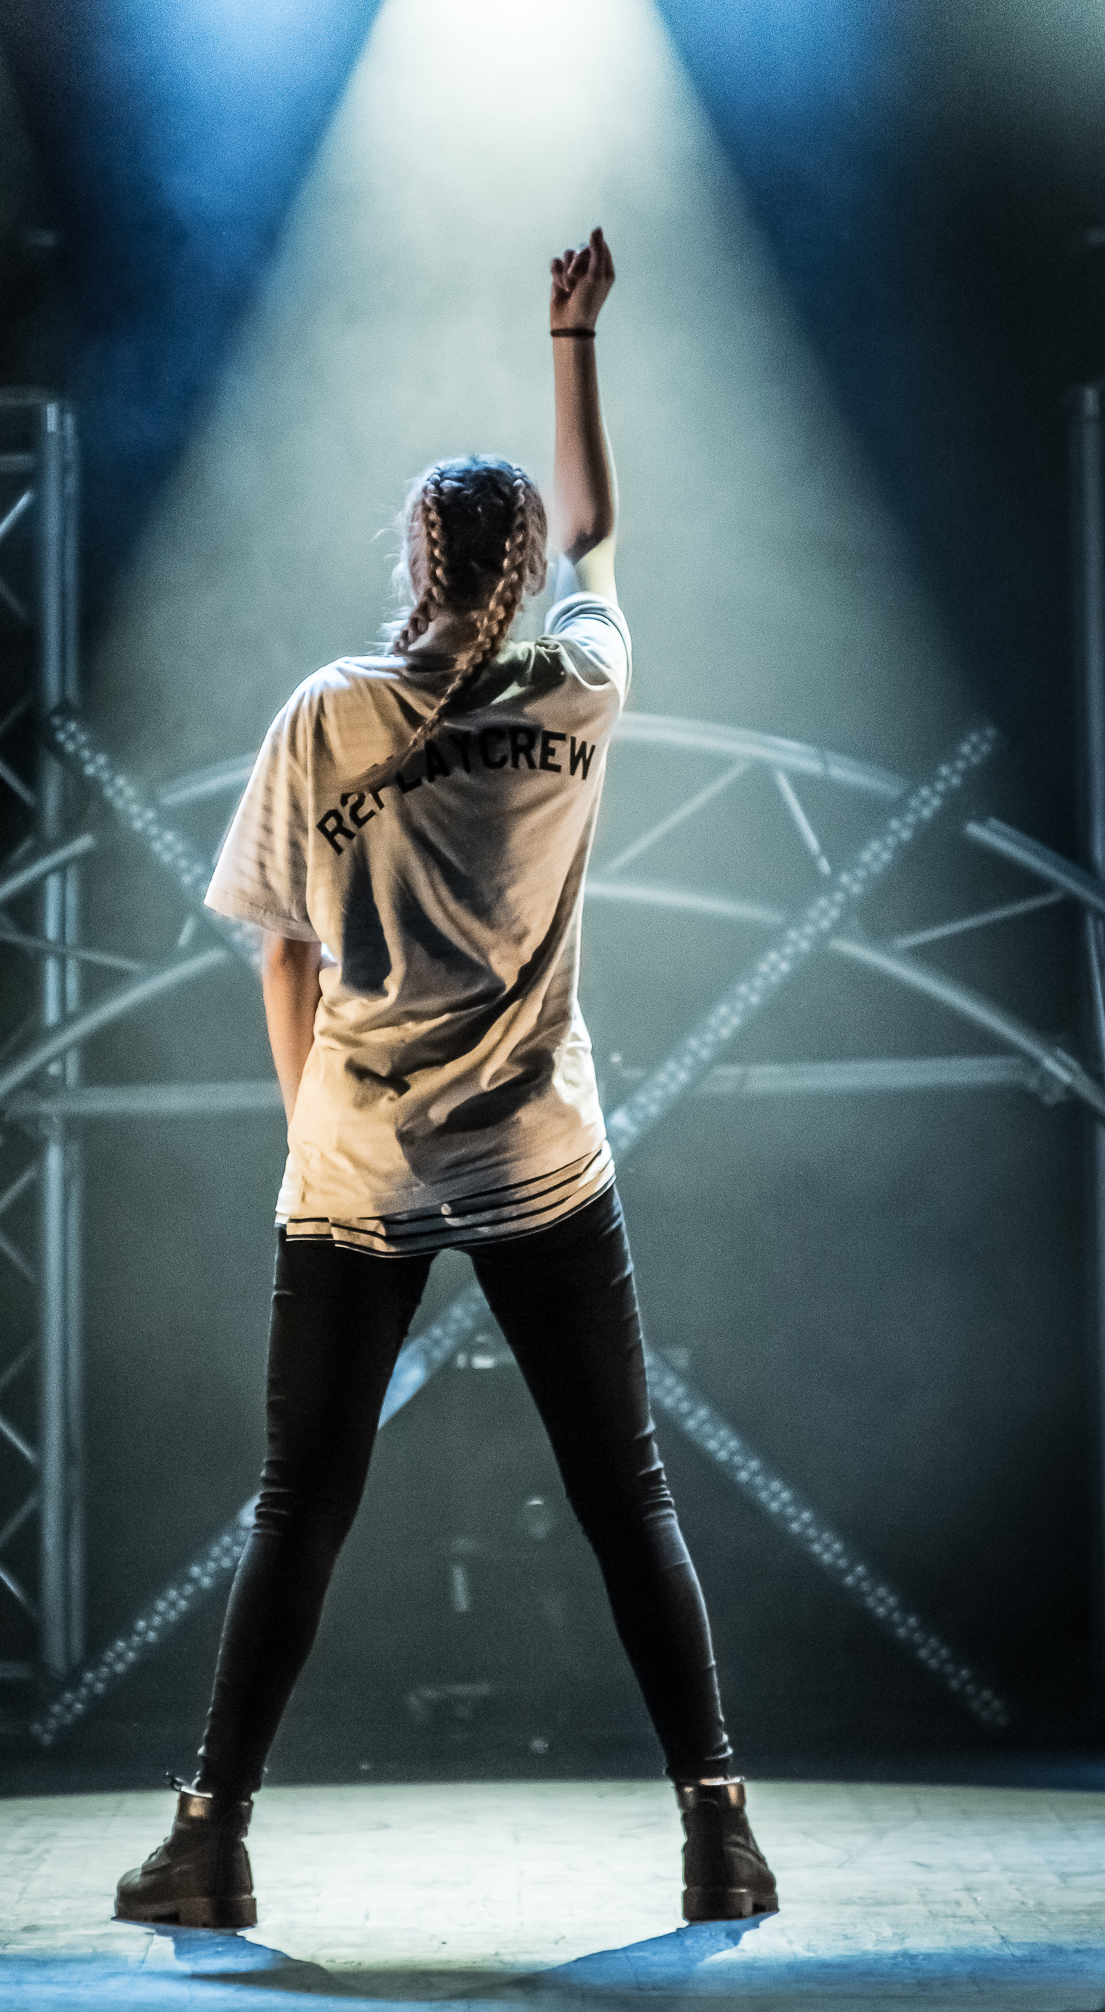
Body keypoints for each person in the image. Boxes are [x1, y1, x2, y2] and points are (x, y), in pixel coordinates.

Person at [115, 229, 777, 1931]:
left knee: (300, 1507)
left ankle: (208, 1842)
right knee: (624, 1493)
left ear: (412, 555)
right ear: (522, 570)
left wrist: (313, 1140)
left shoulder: (328, 716)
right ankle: (717, 1832)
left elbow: (277, 952)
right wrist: (572, 335)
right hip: (540, 1155)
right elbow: (600, 535)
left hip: (358, 1167)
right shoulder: (580, 689)